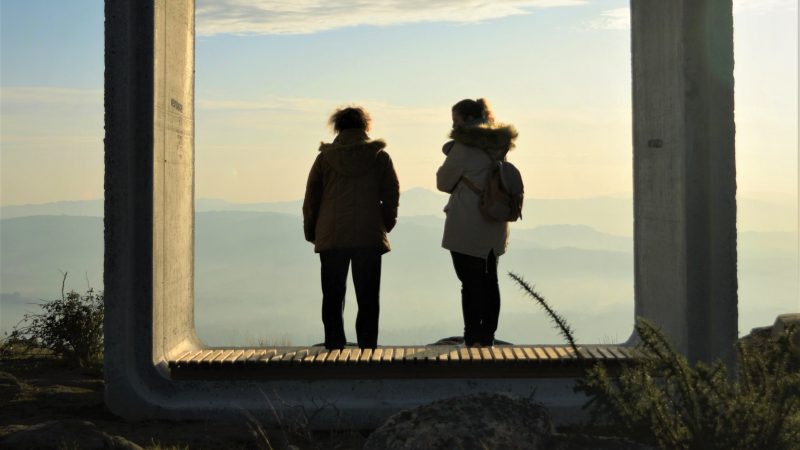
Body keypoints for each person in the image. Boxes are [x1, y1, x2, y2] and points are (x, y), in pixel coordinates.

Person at [303, 106, 400, 350]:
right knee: (368, 298)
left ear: (338, 127)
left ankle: (334, 345)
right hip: (368, 235)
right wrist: (384, 224)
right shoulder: (379, 157)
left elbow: (312, 198)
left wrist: (312, 231)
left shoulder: (325, 158)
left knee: (333, 296)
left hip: (331, 235)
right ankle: (367, 348)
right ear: (365, 126)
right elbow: (391, 194)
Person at [436, 98, 518, 347]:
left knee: (469, 283)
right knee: (490, 280)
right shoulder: (500, 145)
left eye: (456, 120)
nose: (454, 125)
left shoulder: (463, 147)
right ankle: (488, 335)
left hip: (467, 222)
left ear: (469, 120)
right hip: (494, 220)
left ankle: (472, 336)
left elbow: (443, 182)